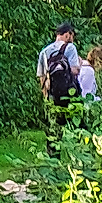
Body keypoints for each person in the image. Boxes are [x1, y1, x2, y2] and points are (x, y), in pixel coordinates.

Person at [38, 22, 82, 154]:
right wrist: (79, 64)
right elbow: (74, 70)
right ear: (67, 34)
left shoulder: (44, 52)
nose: (72, 39)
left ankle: (52, 154)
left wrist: (45, 95)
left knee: (54, 125)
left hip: (52, 94)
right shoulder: (70, 48)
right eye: (72, 35)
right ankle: (78, 153)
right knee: (77, 124)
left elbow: (41, 77)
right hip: (69, 93)